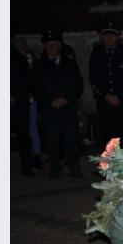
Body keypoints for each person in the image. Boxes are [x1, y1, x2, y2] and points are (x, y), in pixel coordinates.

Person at [32, 27, 84, 178]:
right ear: (44, 46)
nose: (51, 47)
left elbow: (77, 85)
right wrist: (50, 101)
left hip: (68, 109)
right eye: (48, 44)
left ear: (60, 45)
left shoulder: (69, 63)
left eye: (54, 44)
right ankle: (55, 169)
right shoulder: (39, 65)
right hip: (50, 110)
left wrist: (66, 98)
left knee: (71, 141)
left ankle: (74, 168)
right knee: (52, 142)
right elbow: (36, 88)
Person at [89, 20, 123, 144]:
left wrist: (119, 95)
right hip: (104, 102)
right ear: (102, 37)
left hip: (122, 102)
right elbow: (93, 78)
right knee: (107, 136)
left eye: (112, 35)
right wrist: (106, 95)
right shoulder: (97, 54)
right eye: (106, 35)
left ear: (117, 37)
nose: (109, 38)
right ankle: (108, 162)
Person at [11, 43, 33, 176]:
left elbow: (26, 80)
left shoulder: (20, 58)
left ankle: (27, 168)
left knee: (23, 137)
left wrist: (14, 95)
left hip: (18, 103)